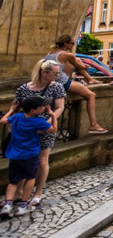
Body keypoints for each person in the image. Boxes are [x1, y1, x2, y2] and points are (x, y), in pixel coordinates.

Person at [13, 59, 67, 207]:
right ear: (44, 73)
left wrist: (48, 123)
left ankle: (38, 193)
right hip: (26, 131)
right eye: (55, 73)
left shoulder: (57, 87)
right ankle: (18, 192)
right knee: (23, 160)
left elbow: (60, 107)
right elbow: (15, 107)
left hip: (46, 128)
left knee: (42, 161)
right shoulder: (24, 89)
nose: (58, 75)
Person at [0, 97, 57, 219]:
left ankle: (8, 204)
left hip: (15, 155)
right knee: (30, 178)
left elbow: (3, 120)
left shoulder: (17, 117)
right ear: (33, 110)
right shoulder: (39, 122)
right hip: (30, 155)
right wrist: (53, 116)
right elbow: (53, 129)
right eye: (42, 106)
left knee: (13, 181)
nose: (44, 107)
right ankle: (23, 204)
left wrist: (11, 109)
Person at [43, 34, 108, 133]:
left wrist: (80, 64)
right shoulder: (67, 55)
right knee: (91, 95)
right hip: (61, 82)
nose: (73, 45)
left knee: (77, 60)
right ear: (65, 43)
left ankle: (90, 80)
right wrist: (84, 65)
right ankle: (93, 125)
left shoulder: (50, 53)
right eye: (72, 43)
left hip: (49, 80)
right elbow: (80, 67)